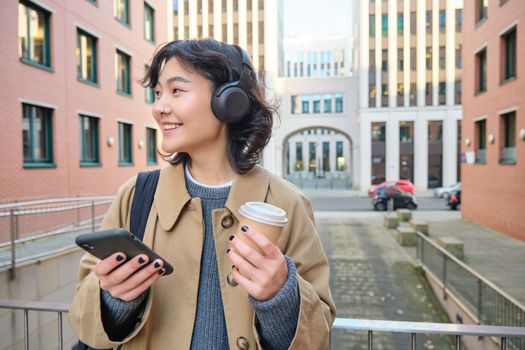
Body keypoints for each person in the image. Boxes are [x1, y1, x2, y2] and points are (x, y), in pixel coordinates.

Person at [69, 38, 336, 350]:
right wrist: (113, 298)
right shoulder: (136, 195)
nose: (159, 108)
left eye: (176, 90)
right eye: (157, 93)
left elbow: (317, 336)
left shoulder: (286, 203)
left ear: (229, 100)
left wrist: (280, 296)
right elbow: (84, 320)